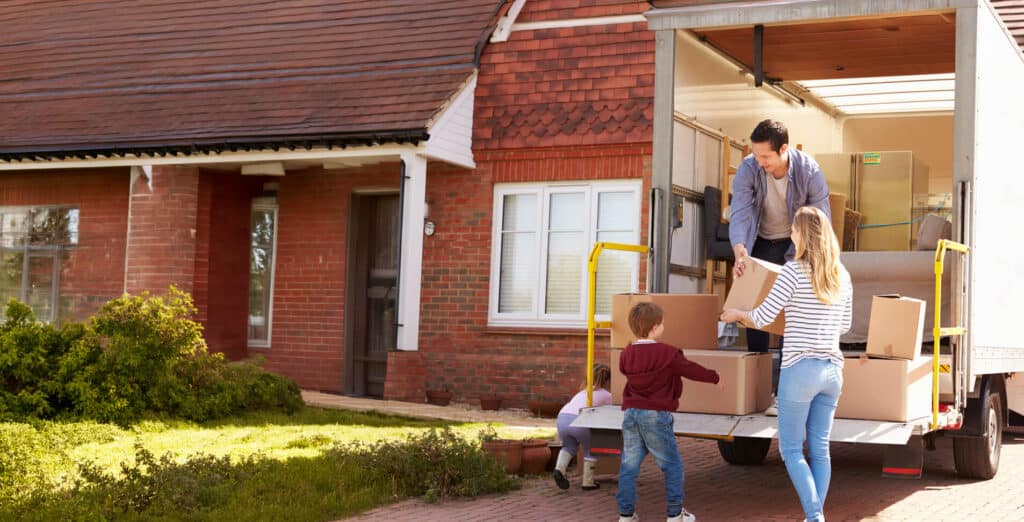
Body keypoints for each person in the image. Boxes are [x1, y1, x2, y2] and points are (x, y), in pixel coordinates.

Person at [721, 206, 853, 522]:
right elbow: (845, 326)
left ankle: (814, 516)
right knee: (820, 450)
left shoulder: (793, 272)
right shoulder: (842, 275)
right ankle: (814, 516)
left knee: (791, 450)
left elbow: (764, 317)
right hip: (833, 371)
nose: (791, 234)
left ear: (802, 234)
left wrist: (737, 315)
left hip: (799, 370)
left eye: (794, 230)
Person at [729, 118, 832, 415]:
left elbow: (820, 219)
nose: (759, 161)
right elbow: (741, 212)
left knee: (791, 317)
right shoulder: (750, 168)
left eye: (766, 156)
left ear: (783, 149)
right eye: (756, 154)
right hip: (759, 242)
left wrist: (808, 261)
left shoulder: (809, 171)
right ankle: (757, 392)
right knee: (755, 315)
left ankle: (784, 396)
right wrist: (740, 250)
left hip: (795, 245)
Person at [616, 302, 722, 522]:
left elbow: (624, 370)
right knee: (672, 466)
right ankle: (675, 515)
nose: (663, 327)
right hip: (656, 415)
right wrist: (715, 377)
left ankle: (625, 515)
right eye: (662, 323)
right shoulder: (667, 353)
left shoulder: (626, 353)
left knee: (629, 467)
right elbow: (691, 369)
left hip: (631, 413)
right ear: (655, 327)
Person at [552, 363, 614, 491]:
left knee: (569, 446)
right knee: (591, 449)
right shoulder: (607, 395)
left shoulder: (582, 392)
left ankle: (559, 469)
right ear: (607, 380)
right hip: (580, 419)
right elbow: (611, 412)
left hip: (562, 418)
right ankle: (588, 482)